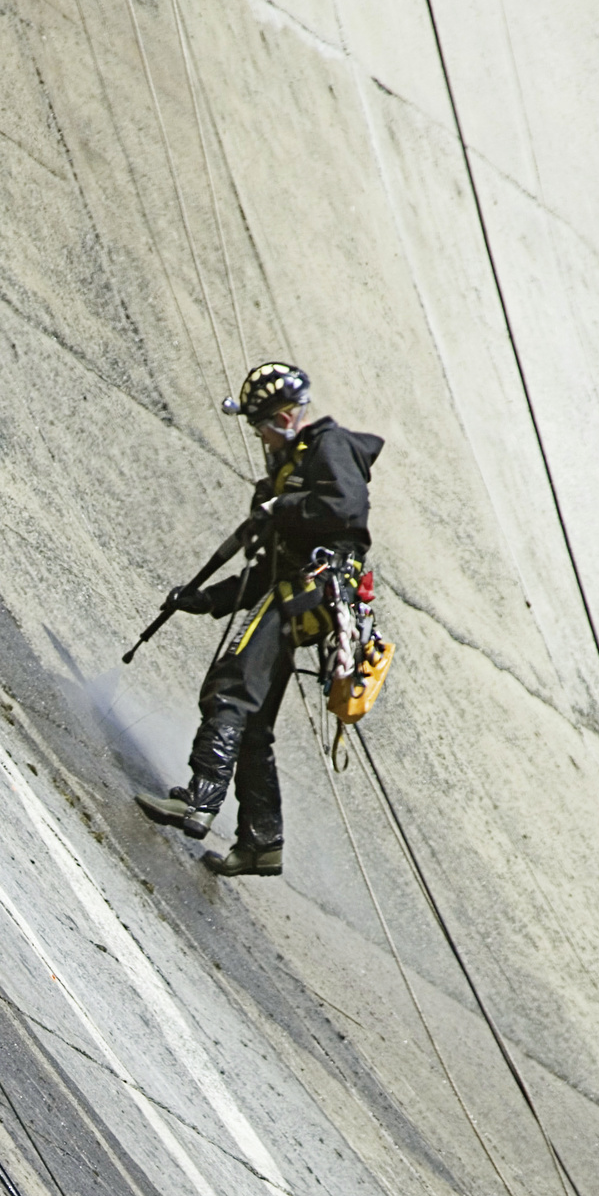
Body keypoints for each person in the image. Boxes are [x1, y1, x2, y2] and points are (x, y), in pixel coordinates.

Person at [137, 361, 382, 879]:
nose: (261, 437)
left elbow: (346, 506)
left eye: (263, 426)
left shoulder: (329, 446)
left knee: (229, 687)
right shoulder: (288, 468)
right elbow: (265, 571)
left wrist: (280, 505)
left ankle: (200, 800)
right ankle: (260, 843)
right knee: (251, 722)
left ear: (287, 417)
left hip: (314, 590)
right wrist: (205, 599)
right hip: (292, 590)